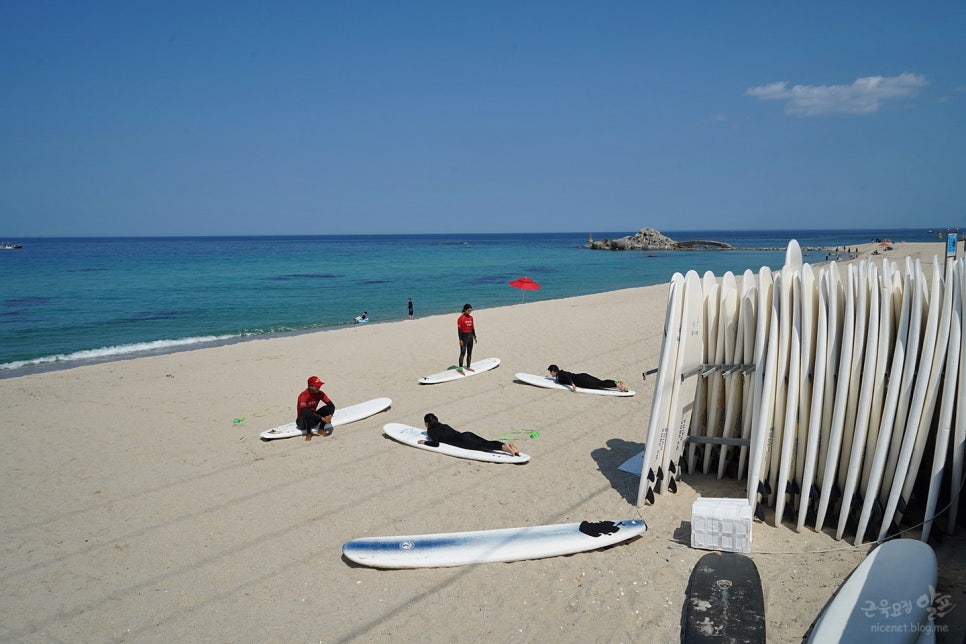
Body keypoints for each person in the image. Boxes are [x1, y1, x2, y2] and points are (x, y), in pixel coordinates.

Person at [417, 413, 520, 456]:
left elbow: (436, 444)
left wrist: (425, 442)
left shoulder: (431, 431)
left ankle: (504, 448)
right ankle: (507, 445)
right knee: (485, 442)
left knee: (484, 446)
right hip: (466, 434)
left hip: (464, 441)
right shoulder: (443, 425)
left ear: (427, 423)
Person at [547, 364, 627, 392]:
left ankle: (618, 386)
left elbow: (566, 377)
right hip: (582, 376)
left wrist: (572, 385)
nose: (550, 374)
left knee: (598, 385)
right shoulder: (560, 372)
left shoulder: (560, 374)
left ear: (553, 371)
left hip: (581, 381)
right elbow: (565, 376)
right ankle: (617, 382)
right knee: (600, 382)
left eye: (550, 372)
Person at [457, 303, 478, 371]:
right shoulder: (460, 318)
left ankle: (468, 366)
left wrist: (474, 336)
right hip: (464, 337)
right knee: (463, 352)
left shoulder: (471, 317)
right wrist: (460, 339)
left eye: (471, 310)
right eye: (469, 310)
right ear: (465, 310)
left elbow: (472, 328)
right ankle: (460, 369)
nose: (470, 312)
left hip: (470, 336)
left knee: (469, 352)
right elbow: (459, 330)